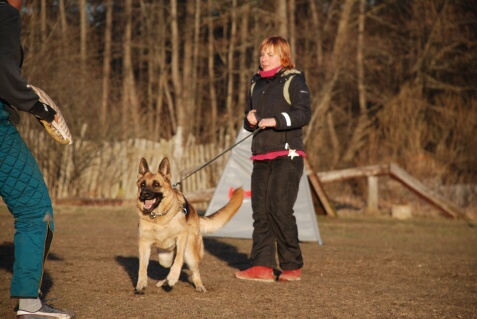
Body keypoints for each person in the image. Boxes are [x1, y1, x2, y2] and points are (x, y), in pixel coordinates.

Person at [0, 0, 73, 318]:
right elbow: (4, 72)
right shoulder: (5, 13)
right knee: (35, 209)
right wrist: (39, 107)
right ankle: (30, 304)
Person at [235, 35, 312, 282]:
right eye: (262, 54)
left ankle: (292, 266)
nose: (264, 58)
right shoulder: (255, 82)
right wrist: (249, 120)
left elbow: (303, 114)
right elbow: (250, 120)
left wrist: (276, 120)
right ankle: (262, 266)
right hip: (261, 155)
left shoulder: (294, 79)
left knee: (279, 208)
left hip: (287, 155)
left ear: (283, 56)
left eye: (270, 54)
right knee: (260, 211)